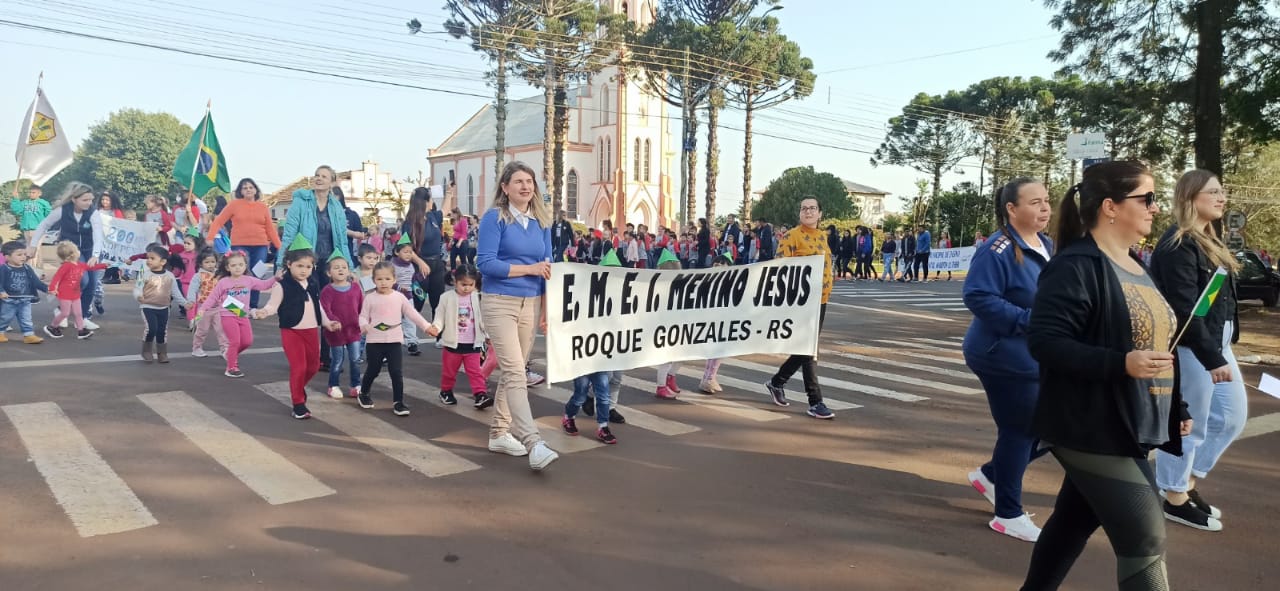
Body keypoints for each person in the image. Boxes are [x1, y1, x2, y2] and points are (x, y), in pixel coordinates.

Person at [1020, 160, 1190, 590]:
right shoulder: (1075, 266)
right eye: (1147, 198)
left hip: (1135, 421)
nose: (1155, 208)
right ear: (1111, 207)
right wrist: (1119, 363)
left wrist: (1178, 405)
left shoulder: (1136, 264)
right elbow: (1045, 342)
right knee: (1145, 534)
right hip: (1090, 424)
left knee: (1073, 521)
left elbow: (1160, 340)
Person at [962, 178, 1054, 542]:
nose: (1045, 208)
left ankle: (990, 476)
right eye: (1035, 202)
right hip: (1002, 354)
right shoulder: (997, 249)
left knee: (1046, 428)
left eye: (1046, 201)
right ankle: (1007, 514)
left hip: (1033, 354)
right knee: (1021, 430)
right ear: (1012, 209)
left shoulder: (1045, 244)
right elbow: (978, 296)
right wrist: (1031, 322)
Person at [1152, 170, 1245, 532]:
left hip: (1216, 342)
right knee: (1190, 424)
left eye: (1222, 191)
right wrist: (1211, 357)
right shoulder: (1179, 243)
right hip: (1194, 345)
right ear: (1191, 197)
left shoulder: (1209, 239)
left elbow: (1213, 302)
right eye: (1213, 192)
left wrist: (1222, 346)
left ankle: (1187, 483)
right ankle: (1173, 495)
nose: (1221, 198)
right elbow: (1185, 308)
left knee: (1232, 418)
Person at [475, 161, 559, 471]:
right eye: (519, 181)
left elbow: (547, 268)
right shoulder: (494, 218)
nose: (525, 186)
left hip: (530, 303)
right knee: (514, 372)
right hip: (499, 301)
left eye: (529, 181)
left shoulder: (542, 222)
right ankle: (533, 441)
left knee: (514, 372)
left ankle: (499, 433)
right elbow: (486, 264)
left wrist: (545, 310)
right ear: (505, 187)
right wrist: (528, 269)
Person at [762, 198, 836, 420]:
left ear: (820, 213)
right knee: (809, 349)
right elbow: (780, 267)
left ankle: (777, 382)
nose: (808, 212)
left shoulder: (823, 237)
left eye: (813, 208)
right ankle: (815, 401)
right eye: (804, 208)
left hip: (821, 300)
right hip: (801, 302)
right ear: (799, 213)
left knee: (806, 348)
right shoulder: (791, 236)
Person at [278, 166, 354, 371]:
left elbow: (341, 240)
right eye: (317, 176)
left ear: (332, 182)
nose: (318, 179)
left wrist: (349, 267)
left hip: (328, 263)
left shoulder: (336, 207)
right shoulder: (300, 203)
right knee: (307, 307)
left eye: (324, 177)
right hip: (306, 262)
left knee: (329, 308)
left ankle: (326, 357)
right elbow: (288, 235)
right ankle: (306, 353)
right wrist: (280, 264)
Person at [256, 245, 336, 420]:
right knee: (299, 367)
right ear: (289, 264)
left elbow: (318, 306)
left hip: (311, 330)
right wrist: (264, 311)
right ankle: (298, 403)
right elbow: (273, 305)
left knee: (314, 366)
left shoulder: (313, 283)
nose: (304, 270)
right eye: (300, 266)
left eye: (308, 267)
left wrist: (327, 323)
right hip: (291, 330)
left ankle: (298, 388)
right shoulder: (281, 285)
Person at [359, 261, 434, 417]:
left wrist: (426, 326)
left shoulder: (399, 297)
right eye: (379, 279)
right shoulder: (370, 298)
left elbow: (412, 314)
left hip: (394, 341)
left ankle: (398, 402)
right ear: (374, 280)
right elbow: (363, 316)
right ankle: (364, 393)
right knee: (373, 370)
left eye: (387, 279)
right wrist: (364, 325)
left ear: (394, 280)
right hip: (374, 342)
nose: (383, 282)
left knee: (396, 372)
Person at [27, 182, 105, 330]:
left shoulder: (93, 213)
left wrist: (95, 255)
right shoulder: (62, 210)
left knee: (92, 284)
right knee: (83, 279)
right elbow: (44, 225)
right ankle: (62, 308)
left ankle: (82, 318)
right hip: (71, 251)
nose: (89, 203)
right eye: (85, 200)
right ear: (74, 199)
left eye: (90, 200)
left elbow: (98, 235)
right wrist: (33, 245)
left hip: (90, 249)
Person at [199, 251, 278, 378]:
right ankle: (231, 367)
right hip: (227, 314)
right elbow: (213, 297)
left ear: (245, 265)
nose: (237, 268)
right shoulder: (223, 282)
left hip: (242, 314)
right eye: (234, 265)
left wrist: (276, 278)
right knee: (234, 341)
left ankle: (230, 354)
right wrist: (203, 309)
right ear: (227, 267)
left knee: (247, 341)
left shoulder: (249, 280)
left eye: (241, 265)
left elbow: (264, 285)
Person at [207, 178, 282, 307]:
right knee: (240, 272)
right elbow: (218, 221)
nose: (248, 189)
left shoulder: (262, 206)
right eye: (244, 188)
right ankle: (238, 305)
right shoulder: (234, 205)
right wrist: (210, 237)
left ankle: (252, 306)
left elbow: (270, 228)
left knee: (257, 274)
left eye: (250, 187)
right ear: (240, 191)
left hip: (260, 246)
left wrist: (279, 246)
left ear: (255, 190)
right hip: (240, 245)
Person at [426, 265, 491, 409]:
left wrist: (488, 334)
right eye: (463, 284)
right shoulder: (446, 298)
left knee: (475, 372)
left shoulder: (478, 297)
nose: (467, 288)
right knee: (449, 372)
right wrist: (435, 328)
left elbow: (484, 319)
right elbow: (440, 317)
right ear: (455, 281)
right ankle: (446, 391)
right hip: (452, 344)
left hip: (473, 343)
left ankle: (480, 394)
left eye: (470, 285)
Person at [400, 186, 448, 339]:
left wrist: (450, 193)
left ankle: (439, 335)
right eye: (431, 199)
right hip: (419, 267)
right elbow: (406, 247)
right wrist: (419, 262)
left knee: (438, 302)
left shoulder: (433, 217)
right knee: (417, 302)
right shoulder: (409, 223)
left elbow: (445, 210)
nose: (433, 202)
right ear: (425, 201)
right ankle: (408, 335)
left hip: (437, 265)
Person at [320, 253, 364, 401]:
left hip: (354, 330)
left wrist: (363, 322)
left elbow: (361, 307)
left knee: (355, 359)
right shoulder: (327, 290)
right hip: (336, 331)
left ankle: (355, 385)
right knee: (337, 360)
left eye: (344, 267)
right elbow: (325, 310)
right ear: (328, 272)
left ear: (349, 270)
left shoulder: (356, 288)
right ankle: (333, 385)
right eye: (336, 268)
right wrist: (333, 321)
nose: (341, 270)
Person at [134, 243, 188, 363]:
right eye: (148, 258)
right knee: (151, 328)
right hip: (147, 306)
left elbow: (176, 293)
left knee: (162, 331)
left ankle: (162, 353)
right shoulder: (144, 273)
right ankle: (146, 351)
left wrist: (185, 303)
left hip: (164, 307)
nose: (149, 261)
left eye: (152, 258)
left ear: (163, 262)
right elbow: (137, 288)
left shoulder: (170, 276)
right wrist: (138, 296)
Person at [45, 240, 109, 340]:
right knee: (65, 313)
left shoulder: (79, 265)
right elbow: (56, 277)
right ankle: (52, 327)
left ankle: (81, 331)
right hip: (65, 294)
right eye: (77, 250)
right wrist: (52, 288)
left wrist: (104, 265)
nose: (79, 251)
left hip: (76, 294)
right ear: (72, 254)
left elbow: (91, 267)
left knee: (78, 313)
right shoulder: (66, 266)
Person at [699, 253, 735, 394]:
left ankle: (709, 378)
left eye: (722, 263)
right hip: (712, 319)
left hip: (724, 319)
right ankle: (708, 379)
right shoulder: (708, 280)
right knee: (716, 350)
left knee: (719, 351)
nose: (718, 266)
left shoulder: (731, 281)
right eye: (716, 263)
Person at [0, 240, 48, 344]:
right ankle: (0, 332)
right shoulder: (4, 269)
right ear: (7, 257)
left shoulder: (27, 268)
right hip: (9, 300)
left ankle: (29, 335)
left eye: (25, 254)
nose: (23, 257)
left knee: (26, 318)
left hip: (25, 300)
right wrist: (1, 291)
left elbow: (36, 282)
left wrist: (48, 289)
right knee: (4, 318)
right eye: (19, 254)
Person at [187, 248, 227, 358]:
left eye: (212, 262)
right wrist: (190, 300)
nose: (210, 265)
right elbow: (192, 289)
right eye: (207, 262)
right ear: (201, 263)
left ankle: (225, 349)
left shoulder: (220, 275)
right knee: (201, 329)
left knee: (221, 329)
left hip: (219, 307)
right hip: (203, 308)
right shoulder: (198, 276)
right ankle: (196, 348)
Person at [11, 185, 51, 263]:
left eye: (33, 192)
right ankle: (37, 269)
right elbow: (17, 209)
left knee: (33, 249)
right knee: (29, 248)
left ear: (39, 193)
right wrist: (15, 198)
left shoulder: (43, 203)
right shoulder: (25, 203)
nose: (31, 194)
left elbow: (48, 214)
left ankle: (31, 269)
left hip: (38, 229)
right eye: (29, 192)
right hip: (27, 229)